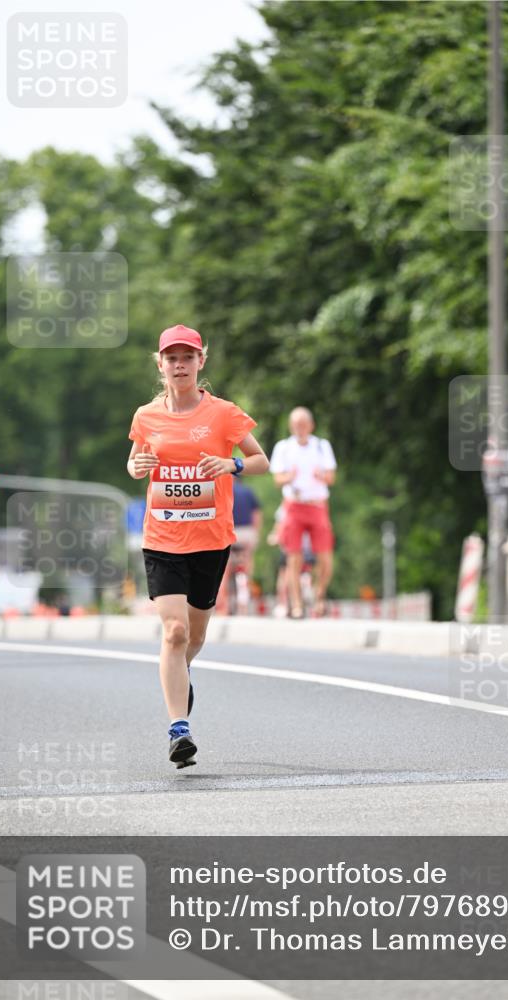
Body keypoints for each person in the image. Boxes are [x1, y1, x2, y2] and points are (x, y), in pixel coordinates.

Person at [126, 324, 269, 768]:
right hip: (163, 539)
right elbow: (134, 461)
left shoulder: (224, 414)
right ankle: (178, 729)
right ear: (161, 364)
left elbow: (263, 461)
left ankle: (179, 673)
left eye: (188, 357)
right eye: (172, 358)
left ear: (200, 362)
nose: (180, 365)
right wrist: (136, 466)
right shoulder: (146, 416)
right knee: (175, 631)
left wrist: (232, 464)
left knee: (197, 634)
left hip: (210, 540)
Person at [269, 407, 336, 618]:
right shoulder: (284, 447)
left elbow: (332, 478)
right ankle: (297, 604)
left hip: (317, 505)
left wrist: (321, 475)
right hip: (294, 505)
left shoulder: (321, 446)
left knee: (325, 558)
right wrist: (289, 477)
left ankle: (319, 594)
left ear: (311, 425)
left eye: (303, 424)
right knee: (293, 558)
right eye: (296, 424)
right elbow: (277, 479)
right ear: (291, 427)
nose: (300, 428)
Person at [215, 479, 262, 614]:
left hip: (229, 532)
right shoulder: (248, 492)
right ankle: (246, 594)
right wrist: (255, 534)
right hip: (247, 533)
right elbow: (257, 514)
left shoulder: (223, 491)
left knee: (224, 568)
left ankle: (223, 606)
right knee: (247, 563)